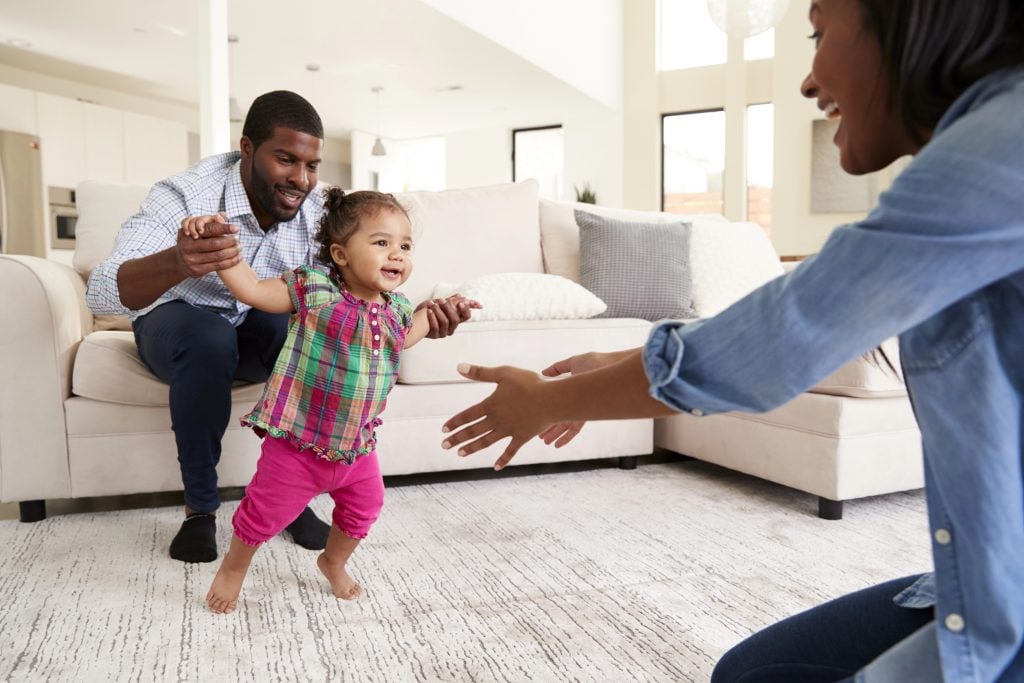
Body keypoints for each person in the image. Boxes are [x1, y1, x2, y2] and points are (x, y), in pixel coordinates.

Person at [440, 1, 1024, 680]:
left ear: (902, 23)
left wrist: (549, 398)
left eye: (818, 32)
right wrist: (615, 369)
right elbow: (803, 320)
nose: (807, 81)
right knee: (751, 671)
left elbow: (784, 336)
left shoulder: (1001, 148)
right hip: (987, 577)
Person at [86, 90, 472, 564]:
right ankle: (200, 510)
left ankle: (288, 497)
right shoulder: (186, 194)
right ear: (247, 148)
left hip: (255, 320)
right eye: (285, 160)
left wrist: (424, 318)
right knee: (210, 337)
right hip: (177, 321)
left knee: (287, 330)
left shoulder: (318, 211)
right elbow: (101, 290)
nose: (301, 179)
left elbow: (347, 292)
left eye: (311, 165)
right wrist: (177, 260)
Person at [186, 188, 480, 613]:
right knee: (262, 516)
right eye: (381, 243)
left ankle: (332, 560)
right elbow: (250, 290)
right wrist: (222, 251)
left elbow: (409, 335)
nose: (396, 254)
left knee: (365, 509)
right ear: (341, 255)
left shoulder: (397, 309)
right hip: (297, 446)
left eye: (405, 245)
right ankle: (233, 567)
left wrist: (438, 312)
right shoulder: (316, 290)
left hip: (356, 448)